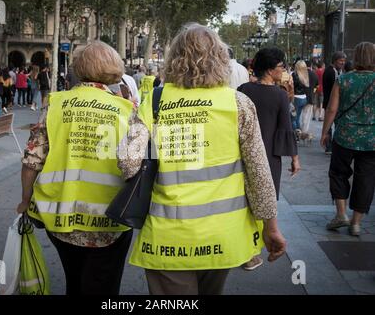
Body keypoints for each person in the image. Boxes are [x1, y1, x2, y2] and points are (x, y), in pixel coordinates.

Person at [118, 23, 286, 295]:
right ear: (221, 60)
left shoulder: (155, 101)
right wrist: (271, 227)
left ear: (175, 59)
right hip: (223, 233)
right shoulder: (238, 103)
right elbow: (259, 172)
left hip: (168, 235)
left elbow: (127, 164)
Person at [17, 41, 136, 295]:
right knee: (104, 285)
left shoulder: (56, 105)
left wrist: (25, 200)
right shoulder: (127, 110)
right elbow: (135, 164)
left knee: (75, 280)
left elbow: (31, 160)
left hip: (59, 217)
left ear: (78, 68)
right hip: (110, 220)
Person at [238, 47, 300, 271]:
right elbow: (286, 128)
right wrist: (294, 157)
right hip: (269, 157)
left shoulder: (243, 89)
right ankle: (253, 250)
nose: (283, 70)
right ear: (271, 70)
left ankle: (247, 251)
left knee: (244, 201)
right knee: (265, 201)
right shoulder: (279, 95)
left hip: (243, 153)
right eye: (282, 67)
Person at [321, 42, 375, 236]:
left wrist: (325, 132)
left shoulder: (344, 79)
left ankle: (341, 214)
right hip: (371, 140)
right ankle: (356, 223)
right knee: (366, 178)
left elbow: (332, 109)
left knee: (338, 173)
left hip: (344, 136)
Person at [322, 51, 346, 155]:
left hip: (333, 103)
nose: (343, 63)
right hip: (330, 103)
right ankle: (329, 147)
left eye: (344, 61)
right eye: (341, 61)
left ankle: (333, 146)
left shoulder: (337, 71)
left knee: (334, 125)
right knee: (329, 126)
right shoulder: (330, 72)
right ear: (335, 61)